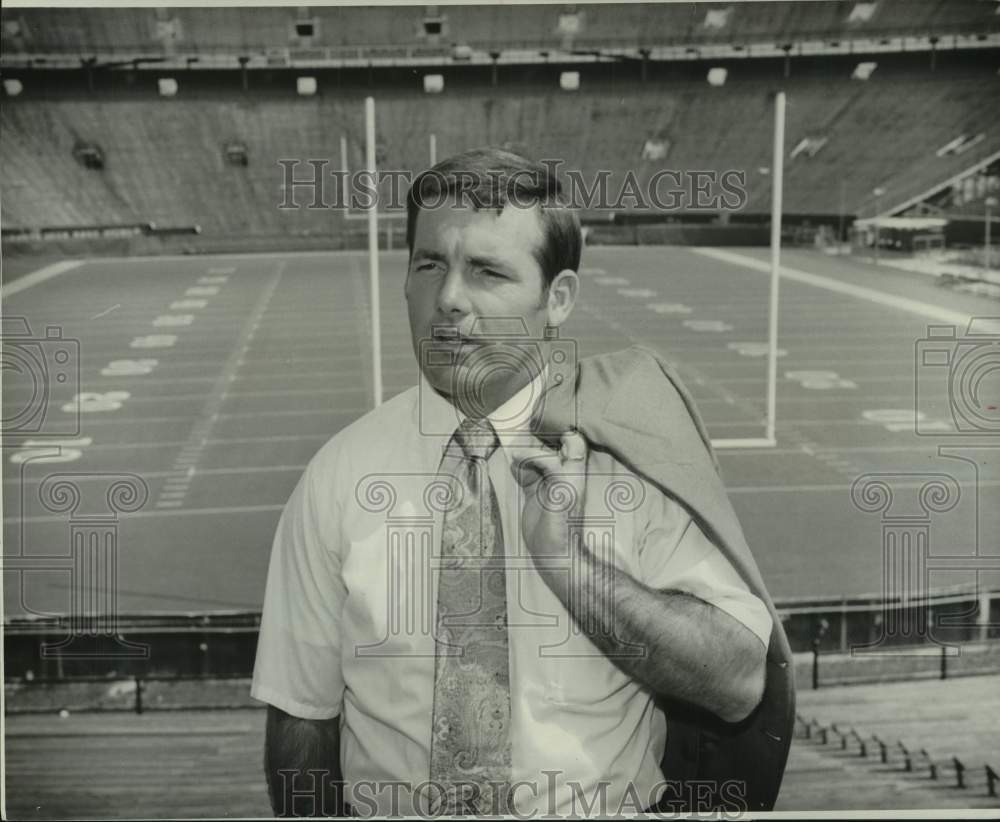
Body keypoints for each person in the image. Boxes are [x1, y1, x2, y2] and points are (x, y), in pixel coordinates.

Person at [251, 148, 773, 818]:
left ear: (557, 299)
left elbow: (737, 681)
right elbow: (303, 718)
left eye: (488, 272)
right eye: (429, 264)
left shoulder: (627, 460)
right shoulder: (337, 477)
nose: (448, 300)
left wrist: (572, 569)